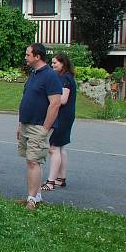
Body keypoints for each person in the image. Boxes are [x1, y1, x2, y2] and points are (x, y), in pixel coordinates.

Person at [18, 43, 63, 210]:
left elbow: (55, 104)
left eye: (28, 54)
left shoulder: (50, 76)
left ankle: (32, 199)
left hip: (39, 125)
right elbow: (27, 99)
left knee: (33, 161)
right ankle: (36, 195)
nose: (25, 57)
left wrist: (45, 128)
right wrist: (20, 123)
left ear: (37, 56)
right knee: (31, 161)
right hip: (27, 123)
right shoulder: (33, 73)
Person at [43, 53, 77, 192]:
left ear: (63, 63)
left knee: (53, 148)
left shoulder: (64, 78)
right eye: (52, 63)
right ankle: (61, 178)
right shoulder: (67, 77)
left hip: (62, 116)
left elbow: (62, 100)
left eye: (55, 63)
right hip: (67, 115)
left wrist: (48, 97)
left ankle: (51, 181)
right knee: (61, 148)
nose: (53, 65)